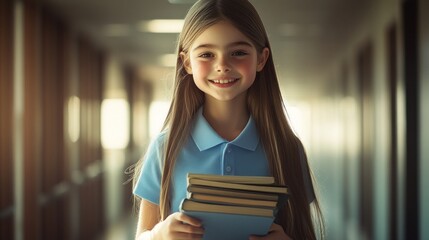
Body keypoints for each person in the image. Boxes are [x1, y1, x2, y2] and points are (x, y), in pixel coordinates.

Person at [132, 0, 324, 239]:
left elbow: (305, 233)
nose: (222, 65)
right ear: (187, 62)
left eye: (239, 53)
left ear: (261, 59)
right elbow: (142, 235)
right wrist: (159, 235)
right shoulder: (165, 147)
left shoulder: (286, 148)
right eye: (207, 54)